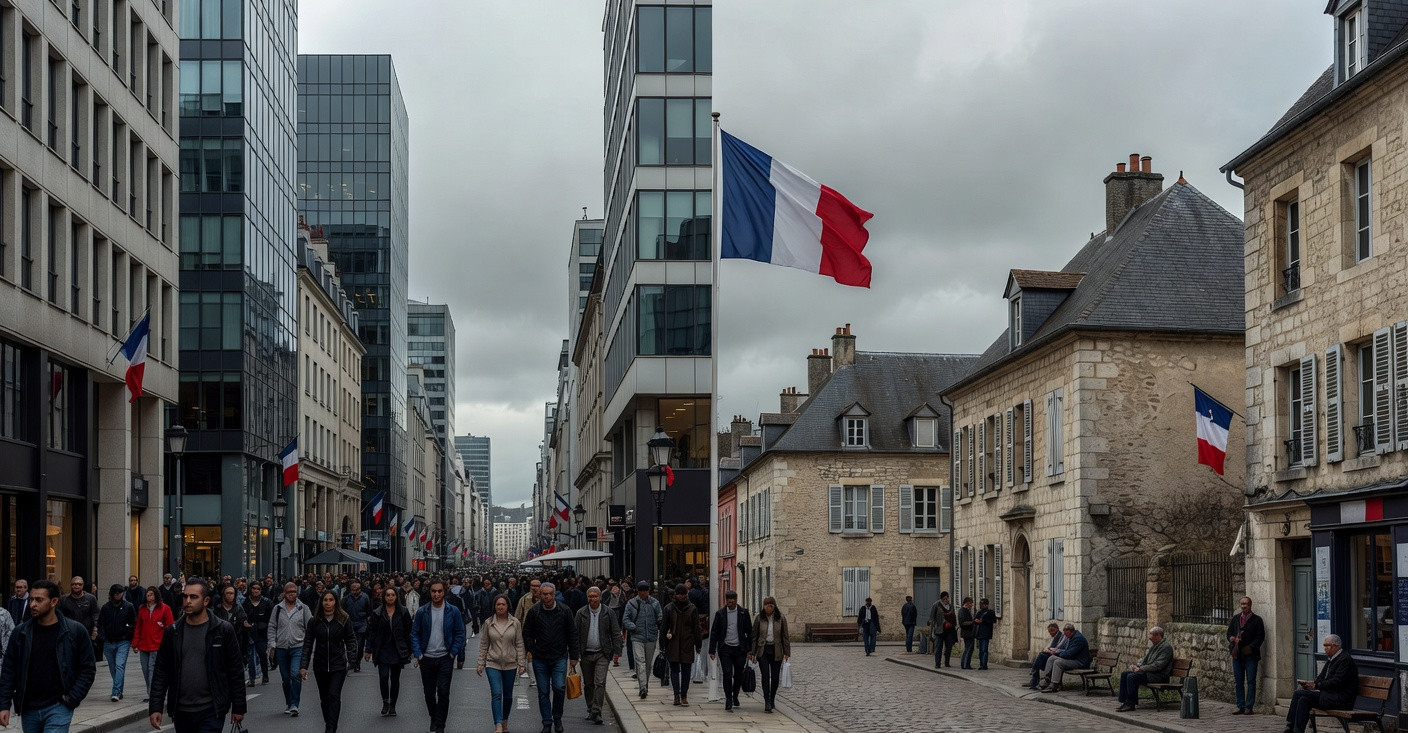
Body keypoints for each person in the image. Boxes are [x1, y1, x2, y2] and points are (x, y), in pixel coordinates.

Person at [146, 577, 247, 733]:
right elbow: (161, 672)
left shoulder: (223, 630)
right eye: (185, 596)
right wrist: (155, 707)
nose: (187, 601)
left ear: (206, 601)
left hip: (211, 710)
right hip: (181, 712)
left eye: (193, 597)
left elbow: (235, 670)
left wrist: (238, 707)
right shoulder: (172, 632)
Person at [0, 579, 97, 733]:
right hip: (29, 708)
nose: (32, 604)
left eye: (39, 600)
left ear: (53, 601)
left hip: (58, 706)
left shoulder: (74, 631)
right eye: (31, 599)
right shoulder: (21, 633)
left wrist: (72, 697)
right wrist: (4, 705)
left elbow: (87, 668)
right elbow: (9, 670)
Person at [411, 580, 466, 733]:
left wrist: (453, 652)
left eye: (439, 591)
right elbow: (415, 633)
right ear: (430, 592)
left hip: (445, 657)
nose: (436, 594)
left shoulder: (452, 611)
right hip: (426, 658)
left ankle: (440, 724)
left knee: (443, 691)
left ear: (444, 592)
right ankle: (433, 717)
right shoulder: (422, 611)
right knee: (429, 693)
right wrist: (419, 654)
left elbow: (460, 633)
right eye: (434, 591)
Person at [523, 582, 578, 733]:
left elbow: (572, 633)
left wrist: (574, 656)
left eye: (550, 594)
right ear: (540, 595)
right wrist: (531, 648)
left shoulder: (564, 610)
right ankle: (547, 722)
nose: (547, 597)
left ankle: (557, 718)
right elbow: (526, 632)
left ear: (554, 595)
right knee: (543, 691)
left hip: (559, 656)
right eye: (544, 594)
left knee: (559, 687)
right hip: (540, 657)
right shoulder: (535, 611)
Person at [299, 591, 356, 733]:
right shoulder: (315, 621)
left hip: (338, 665)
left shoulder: (343, 619)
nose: (328, 603)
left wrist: (351, 659)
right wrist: (303, 666)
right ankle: (328, 723)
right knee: (324, 699)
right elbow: (308, 643)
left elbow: (351, 640)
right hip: (320, 665)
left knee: (334, 695)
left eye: (331, 600)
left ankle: (331, 729)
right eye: (325, 600)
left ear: (336, 602)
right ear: (321, 602)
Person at [1286, 634, 1357, 733]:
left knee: (1298, 693)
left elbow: (1337, 682)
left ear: (1335, 646)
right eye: (1324, 645)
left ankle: (1289, 727)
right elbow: (1321, 678)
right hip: (1329, 696)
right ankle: (1297, 730)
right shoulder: (1331, 659)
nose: (1324, 649)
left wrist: (1316, 686)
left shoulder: (1345, 659)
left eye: (1326, 645)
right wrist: (1309, 684)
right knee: (1303, 699)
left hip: (1340, 699)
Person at [477, 595, 525, 733]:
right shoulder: (488, 623)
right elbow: (484, 644)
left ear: (508, 606)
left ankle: (505, 720)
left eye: (503, 604)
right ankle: (498, 724)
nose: (501, 607)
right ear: (495, 606)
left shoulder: (515, 623)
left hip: (510, 663)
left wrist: (521, 663)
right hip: (493, 663)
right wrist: (481, 663)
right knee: (497, 694)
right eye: (498, 604)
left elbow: (519, 643)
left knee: (508, 695)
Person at [573, 587, 621, 725]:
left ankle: (597, 711)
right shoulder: (581, 613)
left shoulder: (608, 612)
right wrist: (575, 655)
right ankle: (590, 708)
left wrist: (617, 651)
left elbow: (615, 631)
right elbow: (575, 635)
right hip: (586, 654)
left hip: (602, 653)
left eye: (595, 596)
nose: (592, 599)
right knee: (588, 684)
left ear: (600, 597)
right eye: (590, 596)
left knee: (600, 683)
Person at [365, 587, 411, 716]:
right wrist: (368, 650)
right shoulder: (378, 613)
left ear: (396, 597)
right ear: (384, 597)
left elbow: (408, 632)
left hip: (397, 649)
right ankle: (385, 702)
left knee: (395, 678)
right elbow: (372, 632)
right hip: (382, 649)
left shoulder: (403, 612)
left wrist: (410, 650)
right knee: (384, 676)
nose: (390, 597)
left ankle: (393, 705)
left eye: (393, 595)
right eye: (388, 595)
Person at [269, 582, 313, 716]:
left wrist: (308, 646)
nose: (292, 594)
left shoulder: (303, 608)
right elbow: (272, 627)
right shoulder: (277, 609)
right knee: (285, 677)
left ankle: (295, 704)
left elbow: (310, 627)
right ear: (284, 593)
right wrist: (272, 643)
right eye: (289, 592)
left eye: (294, 592)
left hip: (298, 647)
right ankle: (289, 702)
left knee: (295, 674)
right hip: (281, 647)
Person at [708, 590, 751, 712]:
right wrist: (712, 649)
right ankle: (728, 698)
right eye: (728, 599)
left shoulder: (743, 613)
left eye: (733, 599)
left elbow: (749, 631)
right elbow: (715, 631)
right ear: (726, 600)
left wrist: (750, 650)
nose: (731, 601)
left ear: (736, 600)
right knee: (727, 673)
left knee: (738, 674)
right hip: (725, 648)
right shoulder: (720, 614)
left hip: (740, 648)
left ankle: (735, 694)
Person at [1115, 626, 1173, 712]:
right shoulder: (1155, 646)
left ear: (1158, 635)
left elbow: (1158, 665)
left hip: (1159, 676)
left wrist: (1141, 669)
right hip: (1150, 673)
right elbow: (1145, 659)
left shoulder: (1166, 647)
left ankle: (1131, 704)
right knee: (1125, 674)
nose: (1149, 638)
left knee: (1132, 677)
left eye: (1151, 635)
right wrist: (1137, 666)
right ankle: (1125, 701)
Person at [621, 580, 663, 700]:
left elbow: (660, 617)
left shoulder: (655, 603)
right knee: (640, 662)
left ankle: (645, 685)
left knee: (648, 664)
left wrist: (660, 629)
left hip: (651, 637)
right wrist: (632, 627)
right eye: (641, 591)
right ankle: (643, 687)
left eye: (645, 590)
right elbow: (625, 619)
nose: (643, 593)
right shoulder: (631, 604)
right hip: (637, 637)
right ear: (637, 592)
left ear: (648, 591)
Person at [749, 596, 790, 714]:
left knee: (775, 677)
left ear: (774, 606)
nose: (769, 607)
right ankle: (766, 700)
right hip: (763, 650)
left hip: (776, 650)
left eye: (771, 605)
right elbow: (754, 636)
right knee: (765, 675)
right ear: (764, 606)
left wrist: (787, 652)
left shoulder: (781, 618)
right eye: (767, 605)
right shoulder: (759, 618)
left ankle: (772, 698)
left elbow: (785, 636)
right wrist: (752, 652)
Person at [662, 584, 701, 707]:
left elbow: (696, 628)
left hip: (685, 643)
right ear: (675, 595)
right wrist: (662, 644)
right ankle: (678, 695)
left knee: (685, 671)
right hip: (675, 642)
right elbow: (663, 628)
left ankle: (682, 695)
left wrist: (698, 643)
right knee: (676, 670)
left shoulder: (691, 608)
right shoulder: (669, 608)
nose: (681, 596)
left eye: (683, 594)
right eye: (679, 594)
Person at [98, 584, 137, 701]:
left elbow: (133, 623)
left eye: (119, 593)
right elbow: (101, 624)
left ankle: (115, 691)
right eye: (115, 593)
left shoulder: (129, 606)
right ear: (111, 594)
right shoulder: (106, 608)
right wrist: (103, 636)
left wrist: (127, 634)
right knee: (113, 667)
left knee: (119, 666)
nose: (117, 595)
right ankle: (119, 690)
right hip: (109, 641)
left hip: (123, 641)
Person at [134, 587, 173, 703]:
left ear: (156, 595)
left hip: (157, 645)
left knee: (152, 669)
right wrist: (135, 644)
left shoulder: (165, 608)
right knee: (145, 670)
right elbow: (138, 627)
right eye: (147, 594)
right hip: (144, 645)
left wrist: (167, 642)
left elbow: (170, 626)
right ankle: (151, 691)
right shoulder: (142, 609)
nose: (149, 597)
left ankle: (152, 694)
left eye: (151, 594)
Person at [1228, 595, 1266, 715]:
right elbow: (1229, 633)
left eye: (1246, 604)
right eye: (1242, 604)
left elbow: (1260, 637)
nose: (1244, 606)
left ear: (1250, 605)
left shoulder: (1257, 620)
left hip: (1251, 655)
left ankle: (1249, 706)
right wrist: (1232, 638)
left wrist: (1250, 647)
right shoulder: (1235, 619)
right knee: (1238, 681)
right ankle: (1240, 705)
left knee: (1251, 681)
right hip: (1237, 655)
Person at [1038, 623, 1091, 693]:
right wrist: (1055, 653)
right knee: (1052, 658)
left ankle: (1054, 685)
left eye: (1066, 633)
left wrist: (1057, 653)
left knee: (1058, 662)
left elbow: (1069, 653)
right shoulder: (1070, 637)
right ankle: (1047, 679)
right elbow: (1065, 650)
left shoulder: (1078, 639)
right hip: (1072, 659)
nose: (1065, 635)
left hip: (1080, 662)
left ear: (1070, 631)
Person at [210, 586, 247, 674]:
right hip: (219, 643)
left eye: (232, 593)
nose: (230, 595)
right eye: (228, 593)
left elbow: (243, 629)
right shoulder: (216, 610)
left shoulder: (239, 610)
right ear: (223, 595)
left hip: (235, 643)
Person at [241, 583, 271, 686]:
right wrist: (244, 623)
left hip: (262, 633)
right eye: (253, 588)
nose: (255, 591)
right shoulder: (245, 602)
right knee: (250, 655)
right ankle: (252, 678)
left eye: (258, 589)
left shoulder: (266, 602)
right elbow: (242, 616)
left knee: (262, 654)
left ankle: (265, 675)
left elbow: (271, 619)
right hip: (249, 632)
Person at [57, 577, 99, 648]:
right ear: (71, 585)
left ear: (83, 585)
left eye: (79, 584)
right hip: (69, 633)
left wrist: (95, 629)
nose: (76, 586)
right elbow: (58, 615)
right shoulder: (63, 599)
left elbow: (96, 614)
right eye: (74, 584)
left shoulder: (91, 598)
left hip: (86, 632)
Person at [341, 581, 372, 674]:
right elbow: (342, 610)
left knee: (360, 643)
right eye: (353, 589)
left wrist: (366, 618)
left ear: (360, 589)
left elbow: (369, 610)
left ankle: (357, 661)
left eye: (356, 589)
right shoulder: (346, 598)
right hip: (349, 624)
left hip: (361, 623)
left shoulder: (365, 597)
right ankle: (351, 661)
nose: (354, 592)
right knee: (350, 644)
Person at [1026, 623, 1065, 689]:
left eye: (1052, 630)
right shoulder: (1054, 637)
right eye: (1050, 631)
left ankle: (1034, 677)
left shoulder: (1060, 636)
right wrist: (1047, 650)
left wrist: (1049, 650)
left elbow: (1057, 647)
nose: (1051, 633)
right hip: (1052, 654)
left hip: (1057, 655)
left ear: (1057, 629)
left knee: (1041, 656)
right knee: (1041, 656)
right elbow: (1048, 647)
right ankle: (1035, 677)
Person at [928, 592, 958, 668]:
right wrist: (931, 632)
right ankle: (937, 663)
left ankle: (947, 662)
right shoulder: (936, 605)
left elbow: (954, 617)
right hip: (939, 630)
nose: (946, 600)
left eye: (947, 598)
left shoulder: (951, 606)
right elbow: (932, 619)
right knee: (938, 647)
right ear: (941, 599)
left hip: (949, 630)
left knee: (949, 647)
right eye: (944, 599)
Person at [973, 598, 997, 670]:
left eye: (983, 604)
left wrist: (983, 621)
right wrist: (976, 621)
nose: (982, 606)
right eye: (981, 604)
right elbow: (975, 620)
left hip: (986, 633)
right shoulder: (979, 612)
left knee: (984, 650)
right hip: (980, 633)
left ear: (986, 605)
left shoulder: (990, 612)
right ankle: (981, 664)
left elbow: (993, 620)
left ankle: (984, 664)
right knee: (980, 650)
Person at [957, 597, 977, 668]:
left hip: (968, 632)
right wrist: (973, 622)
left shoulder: (966, 610)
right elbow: (962, 623)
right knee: (969, 648)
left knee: (968, 648)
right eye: (971, 603)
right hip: (967, 632)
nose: (971, 605)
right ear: (967, 603)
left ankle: (964, 664)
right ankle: (966, 664)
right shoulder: (962, 611)